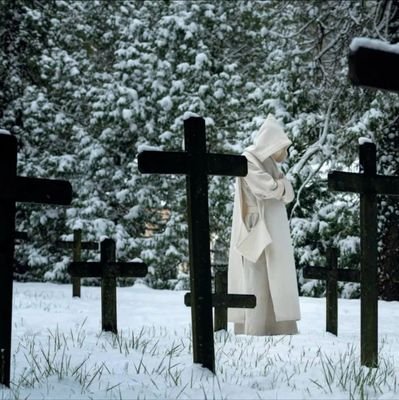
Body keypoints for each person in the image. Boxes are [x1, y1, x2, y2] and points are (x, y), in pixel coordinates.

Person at [228, 114, 301, 335]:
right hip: (255, 225)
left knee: (275, 277)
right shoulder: (249, 159)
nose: (283, 153)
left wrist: (280, 187)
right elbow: (267, 188)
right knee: (255, 278)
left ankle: (277, 327)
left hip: (272, 225)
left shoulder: (268, 161)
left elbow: (287, 193)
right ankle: (254, 327)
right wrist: (281, 186)